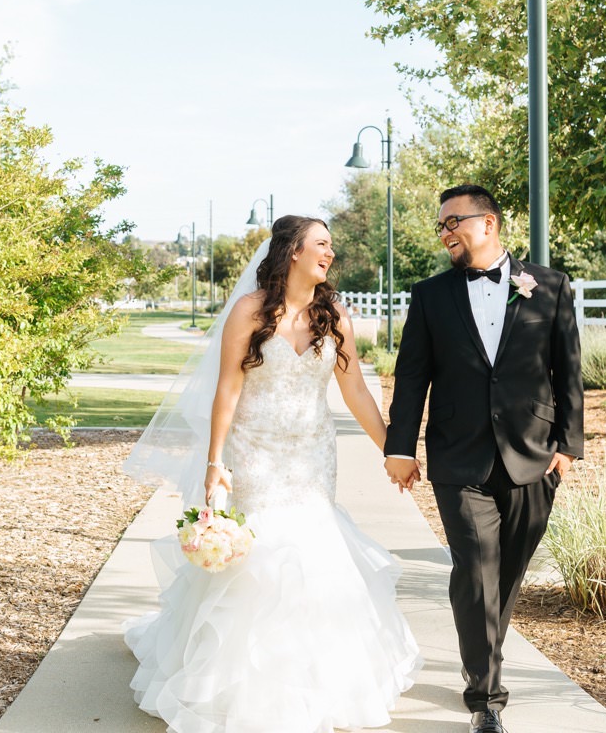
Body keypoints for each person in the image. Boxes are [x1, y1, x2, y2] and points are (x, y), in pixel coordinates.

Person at [123, 216, 422, 733]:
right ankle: (238, 683)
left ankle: (317, 678)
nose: (331, 253)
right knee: (262, 555)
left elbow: (354, 393)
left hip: (311, 456)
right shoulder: (249, 311)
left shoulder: (335, 315)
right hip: (254, 452)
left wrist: (395, 451)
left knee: (314, 550)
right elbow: (227, 391)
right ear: (292, 252)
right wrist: (215, 465)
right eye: (322, 244)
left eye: (331, 245)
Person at [384, 185, 584, 733]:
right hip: (458, 457)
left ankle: (485, 665)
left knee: (507, 576)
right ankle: (486, 696)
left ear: (489, 222)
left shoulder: (550, 286)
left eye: (454, 222)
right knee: (475, 571)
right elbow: (411, 377)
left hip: (534, 458)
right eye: (441, 225)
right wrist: (399, 447)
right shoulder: (429, 295)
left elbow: (567, 369)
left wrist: (568, 445)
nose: (446, 233)